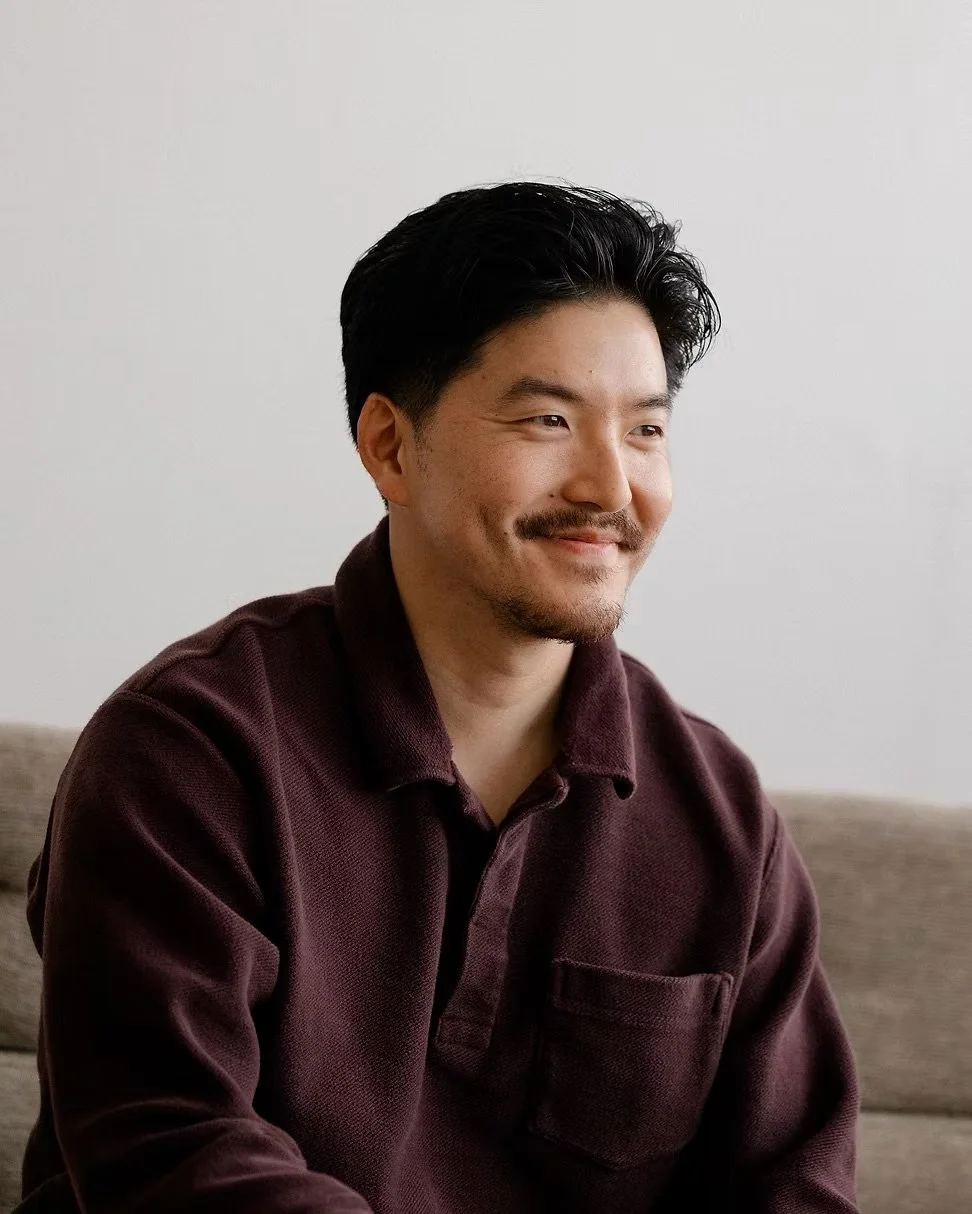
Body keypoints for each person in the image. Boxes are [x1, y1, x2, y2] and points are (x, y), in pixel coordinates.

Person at [18, 181, 861, 1213]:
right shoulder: (189, 749)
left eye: (646, 430)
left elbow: (794, 1184)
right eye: (549, 419)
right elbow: (172, 1153)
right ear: (389, 446)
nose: (611, 487)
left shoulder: (719, 809)